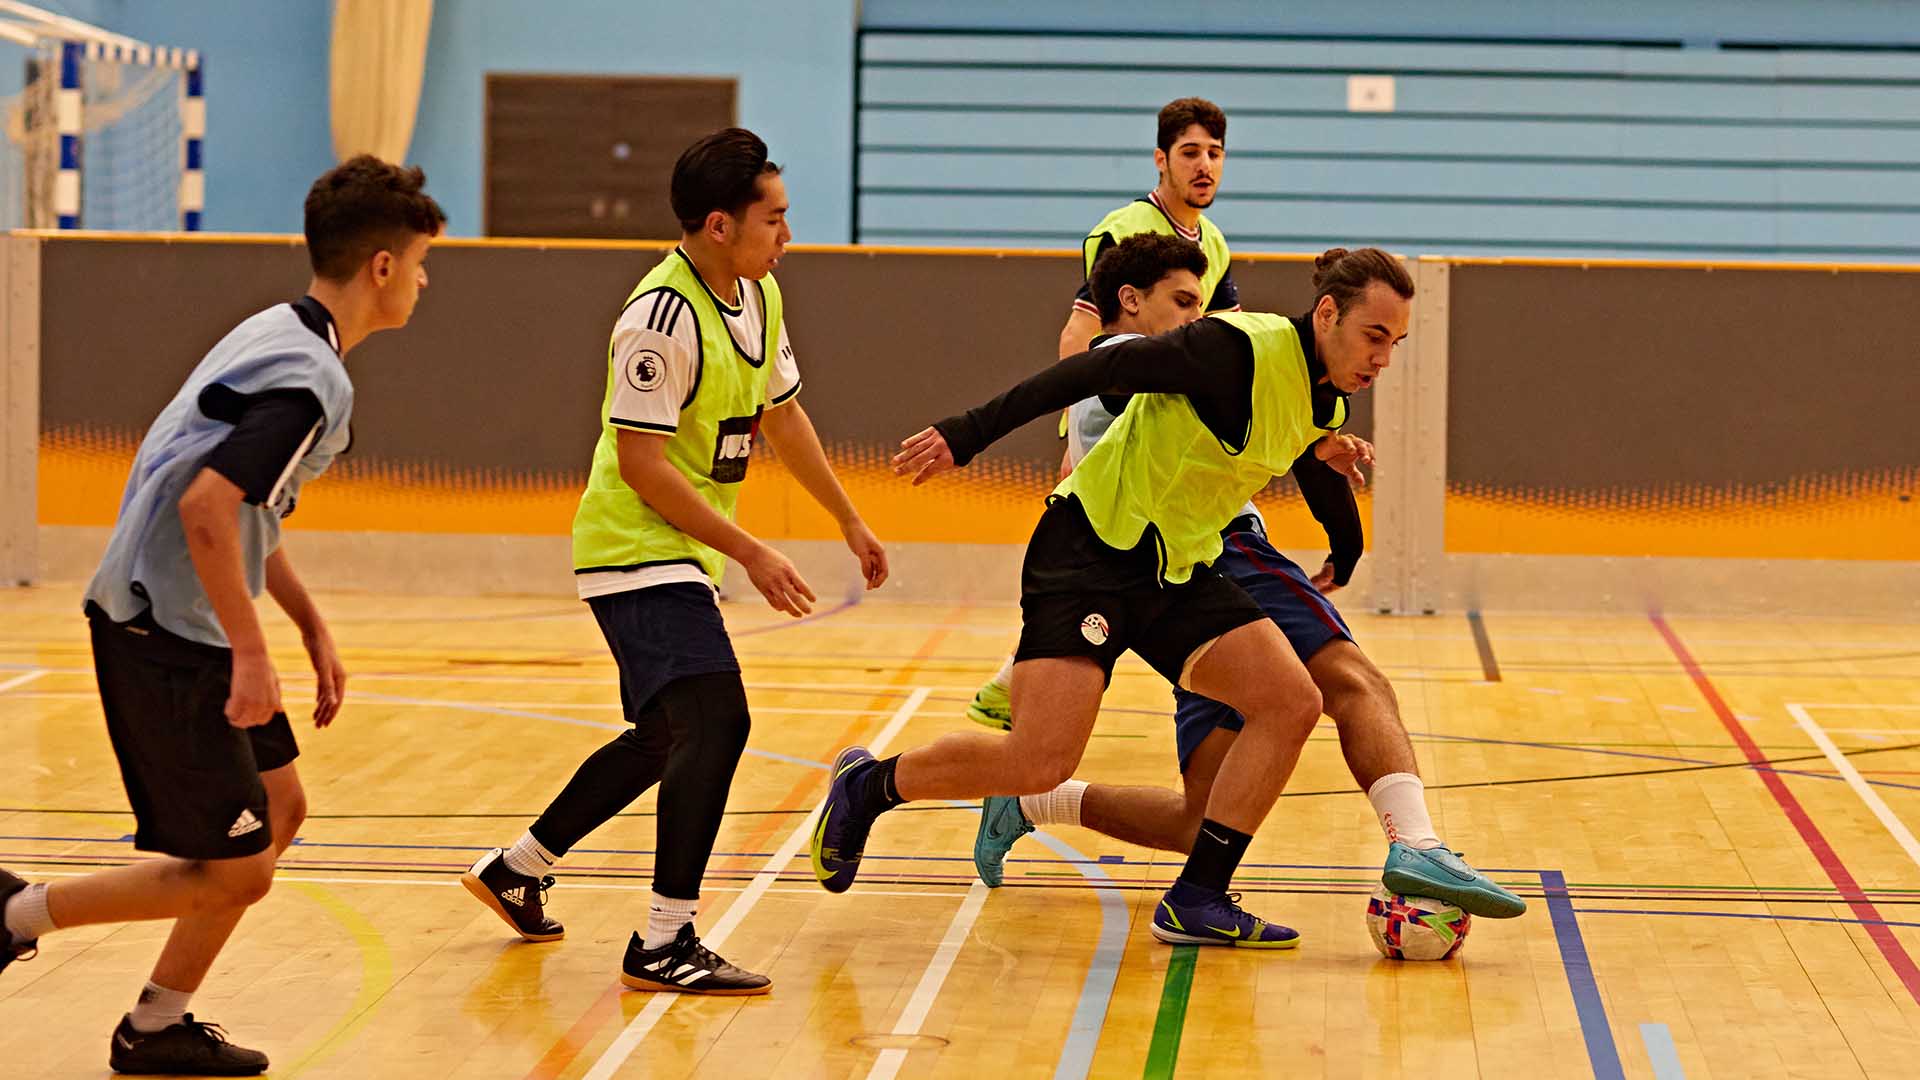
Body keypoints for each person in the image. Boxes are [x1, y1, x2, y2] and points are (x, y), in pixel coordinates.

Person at [814, 249, 1416, 949]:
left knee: (1290, 701)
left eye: (1396, 344)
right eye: (1375, 337)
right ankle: (870, 786)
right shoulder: (1234, 347)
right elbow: (1099, 370)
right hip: (1092, 550)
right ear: (1327, 315)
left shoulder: (1325, 396)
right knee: (1041, 761)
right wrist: (969, 432)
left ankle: (1198, 896)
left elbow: (1309, 456)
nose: (1384, 360)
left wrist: (1346, 548)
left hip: (1175, 570)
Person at [0, 156, 444, 1075]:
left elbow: (247, 514)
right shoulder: (312, 379)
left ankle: (156, 1025)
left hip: (188, 624)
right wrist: (252, 652)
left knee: (280, 811)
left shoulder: (277, 333)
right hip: (163, 634)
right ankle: (10, 914)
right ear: (384, 268)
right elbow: (206, 509)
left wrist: (310, 627)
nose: (428, 281)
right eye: (423, 262)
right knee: (242, 868)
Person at [972, 248, 1527, 920]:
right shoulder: (1152, 364)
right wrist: (965, 432)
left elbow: (1271, 423)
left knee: (1196, 821)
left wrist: (1332, 500)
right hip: (1220, 553)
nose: (1197, 315)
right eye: (1182, 301)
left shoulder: (1207, 371)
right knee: (1352, 683)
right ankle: (1416, 842)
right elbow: (1136, 394)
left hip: (1174, 573)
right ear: (1129, 300)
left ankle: (1035, 801)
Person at [462, 128, 888, 996]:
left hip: (685, 554)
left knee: (665, 736)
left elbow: (784, 418)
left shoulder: (758, 299)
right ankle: (665, 939)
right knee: (717, 721)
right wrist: (754, 551)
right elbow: (643, 466)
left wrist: (849, 519)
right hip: (635, 546)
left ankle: (519, 867)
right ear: (720, 225)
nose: (788, 234)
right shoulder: (659, 318)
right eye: (775, 219)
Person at [967, 95, 1365, 731]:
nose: (1204, 165)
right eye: (1190, 153)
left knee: (1140, 577)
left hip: (1176, 428)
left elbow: (1225, 341)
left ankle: (1022, 682)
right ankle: (1035, 692)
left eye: (1215, 153)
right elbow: (1081, 338)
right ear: (1161, 160)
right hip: (1120, 426)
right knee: (1127, 563)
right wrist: (1104, 411)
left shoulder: (1214, 242)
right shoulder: (1123, 228)